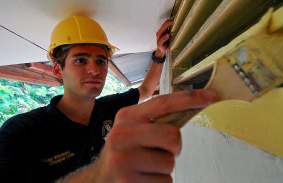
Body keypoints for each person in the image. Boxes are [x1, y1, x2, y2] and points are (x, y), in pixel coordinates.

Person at [0, 16, 217, 183]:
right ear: (58, 69)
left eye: (101, 61)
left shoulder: (108, 109)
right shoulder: (21, 132)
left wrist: (159, 53)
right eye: (81, 60)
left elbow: (146, 89)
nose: (94, 70)